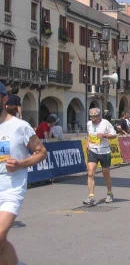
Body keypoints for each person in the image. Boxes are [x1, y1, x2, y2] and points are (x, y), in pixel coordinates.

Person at [0, 82, 47, 264]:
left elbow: (41, 152)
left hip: (11, 189)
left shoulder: (20, 126)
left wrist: (20, 163)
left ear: (4, 99)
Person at [84, 107, 117, 206]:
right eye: (91, 117)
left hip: (104, 151)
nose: (93, 119)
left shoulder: (105, 123)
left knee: (106, 174)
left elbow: (114, 135)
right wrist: (88, 143)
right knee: (90, 173)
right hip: (93, 151)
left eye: (95, 117)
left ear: (99, 116)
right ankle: (91, 197)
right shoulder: (89, 123)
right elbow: (90, 135)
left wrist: (105, 136)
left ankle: (109, 193)